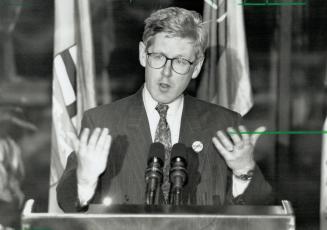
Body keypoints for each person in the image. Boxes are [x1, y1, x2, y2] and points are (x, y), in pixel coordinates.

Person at [57, 7, 272, 212]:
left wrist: (244, 171)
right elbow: (67, 204)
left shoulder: (224, 125)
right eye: (158, 57)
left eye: (179, 61)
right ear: (143, 55)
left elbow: (260, 209)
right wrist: (85, 179)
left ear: (196, 67)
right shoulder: (102, 122)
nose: (166, 72)